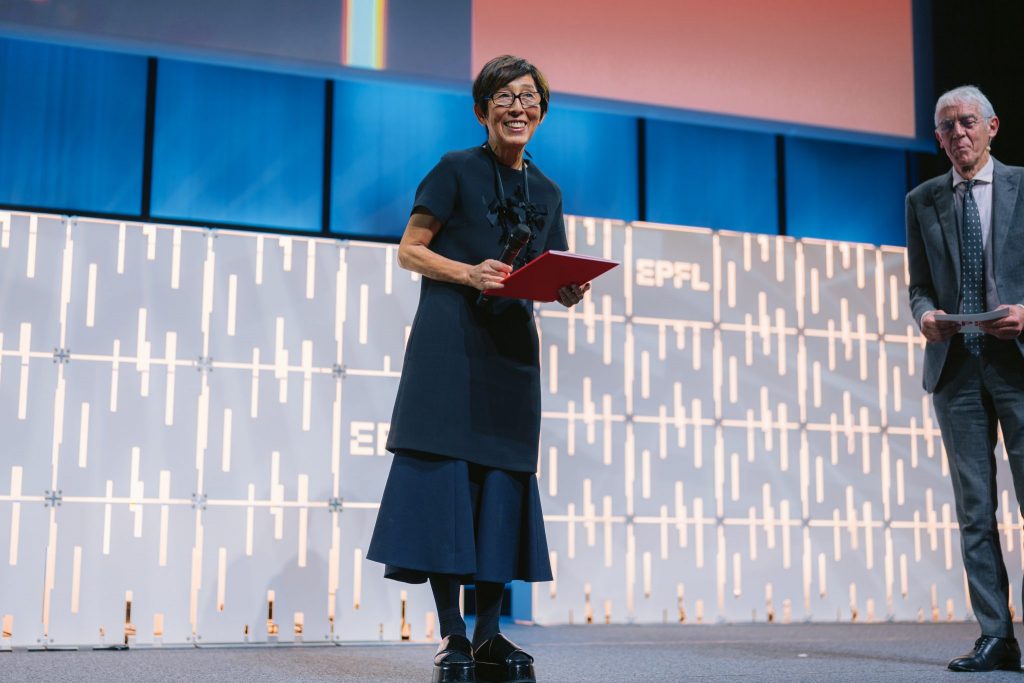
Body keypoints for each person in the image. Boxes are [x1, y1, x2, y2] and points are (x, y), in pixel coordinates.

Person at [366, 55, 589, 683]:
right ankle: (454, 636)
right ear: (482, 108)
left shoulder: (547, 193)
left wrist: (568, 288)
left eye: (529, 97)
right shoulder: (454, 169)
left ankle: (491, 636)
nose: (518, 106)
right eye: (505, 96)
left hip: (511, 354)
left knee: (500, 486)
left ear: (542, 112)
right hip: (448, 346)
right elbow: (411, 248)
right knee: (447, 486)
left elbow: (551, 266)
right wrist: (467, 273)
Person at [906, 84, 1024, 672]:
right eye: (947, 126)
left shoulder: (1023, 186)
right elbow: (918, 284)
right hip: (956, 373)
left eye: (968, 122)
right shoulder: (923, 199)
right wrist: (924, 315)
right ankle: (996, 636)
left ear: (992, 126)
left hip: (1017, 365)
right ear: (937, 138)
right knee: (974, 511)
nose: (959, 134)